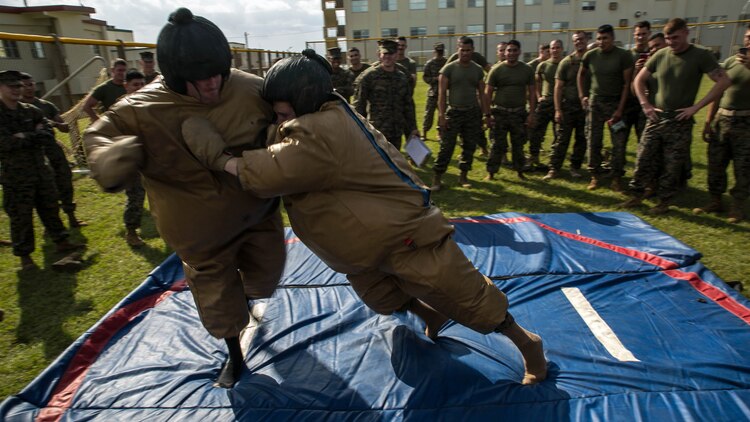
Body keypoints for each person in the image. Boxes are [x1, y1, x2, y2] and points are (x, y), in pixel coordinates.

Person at [181, 50, 548, 385]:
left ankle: (527, 343)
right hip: (366, 241)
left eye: (282, 114)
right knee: (380, 293)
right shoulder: (318, 116)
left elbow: (270, 172)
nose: (277, 122)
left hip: (404, 233)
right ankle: (429, 315)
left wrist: (220, 158)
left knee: (462, 293)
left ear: (304, 101)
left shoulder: (319, 132)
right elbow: (281, 141)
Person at [83, 8, 286, 389]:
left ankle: (246, 298)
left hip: (258, 212)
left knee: (266, 277)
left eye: (216, 75)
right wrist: (107, 157)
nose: (211, 86)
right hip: (199, 230)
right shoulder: (140, 109)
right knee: (218, 298)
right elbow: (97, 135)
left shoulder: (250, 88)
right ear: (175, 77)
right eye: (198, 80)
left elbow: (294, 119)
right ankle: (234, 353)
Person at [621, 18, 731, 215]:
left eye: (676, 37)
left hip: (680, 120)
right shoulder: (661, 54)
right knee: (644, 158)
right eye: (668, 38)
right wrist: (646, 105)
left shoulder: (700, 55)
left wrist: (696, 107)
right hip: (656, 117)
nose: (672, 42)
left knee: (672, 164)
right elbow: (638, 80)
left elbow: (724, 81)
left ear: (686, 33)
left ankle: (664, 202)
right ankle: (636, 195)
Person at [0, 70, 82, 270]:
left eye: (19, 85)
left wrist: (22, 136)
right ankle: (25, 256)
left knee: (50, 208)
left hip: (40, 170)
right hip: (15, 176)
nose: (17, 90)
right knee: (21, 215)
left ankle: (61, 241)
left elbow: (47, 134)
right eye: (11, 86)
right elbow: (3, 143)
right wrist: (31, 135)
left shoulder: (31, 110)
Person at [693, 25, 750, 223]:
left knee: (743, 167)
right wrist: (709, 120)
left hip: (746, 122)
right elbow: (718, 92)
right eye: (747, 37)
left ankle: (737, 207)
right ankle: (716, 200)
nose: (748, 41)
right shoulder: (731, 62)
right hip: (723, 119)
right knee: (716, 163)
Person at [19, 72, 87, 228]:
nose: (28, 88)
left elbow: (64, 127)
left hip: (53, 150)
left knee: (65, 182)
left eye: (31, 84)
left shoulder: (46, 105)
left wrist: (53, 123)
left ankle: (71, 217)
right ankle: (51, 224)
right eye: (24, 85)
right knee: (46, 190)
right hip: (35, 155)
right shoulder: (17, 109)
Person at [577, 24, 634, 192]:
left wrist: (620, 110)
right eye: (599, 39)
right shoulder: (590, 55)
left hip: (616, 104)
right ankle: (595, 175)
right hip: (595, 103)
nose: (602, 42)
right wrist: (583, 96)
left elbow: (626, 84)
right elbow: (581, 75)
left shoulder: (623, 55)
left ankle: (616, 177)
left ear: (613, 38)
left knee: (619, 143)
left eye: (605, 38)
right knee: (593, 141)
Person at [431, 37, 489, 191]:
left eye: (468, 50)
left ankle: (463, 176)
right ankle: (437, 178)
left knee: (469, 146)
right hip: (453, 113)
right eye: (462, 50)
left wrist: (485, 114)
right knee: (446, 147)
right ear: (458, 49)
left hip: (472, 113)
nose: (465, 53)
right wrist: (442, 116)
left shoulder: (477, 70)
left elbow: (482, 94)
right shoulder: (448, 69)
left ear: (473, 50)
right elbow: (442, 95)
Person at [484, 40, 536, 181]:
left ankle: (520, 171)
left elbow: (532, 92)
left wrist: (531, 113)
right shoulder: (496, 70)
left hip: (519, 113)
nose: (511, 53)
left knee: (518, 144)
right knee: (497, 145)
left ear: (519, 52)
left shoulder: (527, 70)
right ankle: (491, 172)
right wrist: (487, 115)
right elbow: (487, 93)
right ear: (504, 52)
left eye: (514, 50)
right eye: (509, 50)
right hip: (500, 113)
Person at [354, 39, 418, 150]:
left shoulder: (402, 77)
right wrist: (360, 129)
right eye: (385, 53)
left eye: (391, 54)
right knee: (377, 163)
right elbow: (359, 105)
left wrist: (413, 128)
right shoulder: (368, 77)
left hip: (396, 131)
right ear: (379, 54)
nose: (388, 57)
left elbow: (408, 105)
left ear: (396, 55)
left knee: (394, 163)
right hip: (377, 131)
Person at [544, 31, 588, 180]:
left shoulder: (592, 59)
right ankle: (554, 168)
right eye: (576, 40)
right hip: (568, 107)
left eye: (581, 39)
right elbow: (558, 87)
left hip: (586, 108)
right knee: (562, 139)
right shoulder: (567, 62)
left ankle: (575, 167)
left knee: (582, 139)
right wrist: (557, 109)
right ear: (573, 42)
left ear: (586, 40)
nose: (579, 42)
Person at [120, 69, 148, 247]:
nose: (139, 88)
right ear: (126, 86)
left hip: (150, 156)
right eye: (135, 85)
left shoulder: (148, 103)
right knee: (136, 195)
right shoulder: (121, 107)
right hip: (130, 158)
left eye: (141, 84)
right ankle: (131, 231)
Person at [528, 39, 563, 171]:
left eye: (557, 48)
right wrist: (539, 97)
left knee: (559, 134)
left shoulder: (566, 64)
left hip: (560, 104)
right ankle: (533, 157)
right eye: (552, 48)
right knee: (536, 131)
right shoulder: (542, 66)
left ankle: (554, 162)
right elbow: (537, 83)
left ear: (561, 49)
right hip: (545, 103)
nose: (554, 50)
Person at [422, 42, 447, 141]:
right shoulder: (429, 63)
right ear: (434, 52)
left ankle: (440, 133)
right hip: (433, 93)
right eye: (438, 51)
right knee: (429, 114)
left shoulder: (447, 62)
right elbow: (425, 77)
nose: (439, 53)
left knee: (442, 114)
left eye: (441, 51)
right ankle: (424, 133)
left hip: (444, 93)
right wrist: (434, 79)